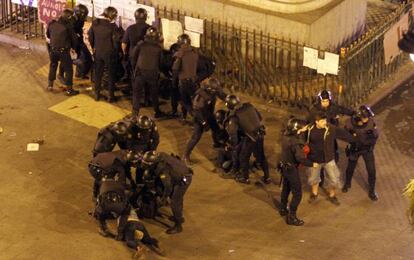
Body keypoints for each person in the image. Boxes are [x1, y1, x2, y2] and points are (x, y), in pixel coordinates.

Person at [305, 112, 356, 206]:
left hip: (328, 159)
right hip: (314, 159)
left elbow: (343, 134)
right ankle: (314, 194)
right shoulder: (309, 129)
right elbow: (302, 139)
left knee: (334, 179)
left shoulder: (331, 128)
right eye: (322, 121)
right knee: (313, 178)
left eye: (325, 120)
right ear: (317, 122)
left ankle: (332, 195)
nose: (325, 122)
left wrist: (354, 139)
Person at [307, 90, 355, 186]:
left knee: (332, 154)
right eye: (323, 101)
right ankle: (320, 179)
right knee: (318, 157)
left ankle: (328, 173)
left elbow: (342, 109)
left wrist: (353, 113)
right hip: (319, 136)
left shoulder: (333, 107)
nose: (325, 103)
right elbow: (309, 122)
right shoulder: (314, 110)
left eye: (327, 101)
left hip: (330, 134)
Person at [141, 151, 193, 234]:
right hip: (180, 173)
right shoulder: (160, 155)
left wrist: (163, 199)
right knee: (176, 199)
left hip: (183, 179)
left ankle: (178, 225)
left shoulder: (162, 170)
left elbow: (168, 187)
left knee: (175, 202)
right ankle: (179, 216)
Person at [278, 117, 317, 226]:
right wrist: (312, 164)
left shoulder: (285, 136)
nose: (305, 128)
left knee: (286, 188)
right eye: (303, 127)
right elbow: (300, 158)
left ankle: (283, 208)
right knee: (297, 193)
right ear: (297, 129)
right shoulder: (295, 142)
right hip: (291, 168)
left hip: (284, 166)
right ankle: (292, 217)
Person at [225, 95, 270, 184]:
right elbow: (259, 118)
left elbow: (233, 134)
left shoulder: (234, 116)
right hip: (260, 134)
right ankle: (267, 177)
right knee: (261, 157)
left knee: (243, 157)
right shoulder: (249, 105)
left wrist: (233, 145)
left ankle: (245, 178)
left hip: (250, 138)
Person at [183, 77, 226, 165]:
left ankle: (217, 143)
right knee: (196, 137)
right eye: (214, 90)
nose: (215, 92)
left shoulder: (213, 90)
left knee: (216, 129)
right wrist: (203, 122)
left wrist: (229, 100)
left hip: (209, 114)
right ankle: (186, 155)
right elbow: (197, 111)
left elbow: (222, 95)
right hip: (200, 117)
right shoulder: (200, 95)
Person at [343, 105, 379, 201]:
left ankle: (372, 191)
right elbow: (345, 133)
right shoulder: (350, 123)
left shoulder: (371, 122)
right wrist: (352, 137)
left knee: (371, 171)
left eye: (367, 117)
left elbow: (376, 134)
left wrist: (370, 137)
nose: (367, 119)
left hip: (367, 150)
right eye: (365, 117)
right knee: (350, 167)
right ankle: (347, 183)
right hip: (355, 149)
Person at [130, 27, 165, 118]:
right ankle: (156, 111)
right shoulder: (158, 48)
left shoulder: (141, 45)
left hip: (140, 72)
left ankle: (135, 113)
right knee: (154, 93)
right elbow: (161, 62)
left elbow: (133, 57)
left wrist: (135, 68)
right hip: (152, 73)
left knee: (137, 93)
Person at [88, 6, 120, 102]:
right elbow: (116, 41)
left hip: (98, 51)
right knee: (111, 74)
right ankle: (110, 96)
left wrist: (94, 47)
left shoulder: (95, 23)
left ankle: (97, 94)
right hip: (109, 53)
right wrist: (115, 51)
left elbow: (90, 36)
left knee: (98, 73)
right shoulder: (113, 26)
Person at [46, 9, 79, 96]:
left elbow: (48, 35)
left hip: (53, 50)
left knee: (53, 65)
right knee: (69, 69)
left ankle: (50, 85)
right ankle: (69, 90)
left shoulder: (52, 23)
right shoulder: (68, 27)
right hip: (63, 51)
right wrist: (74, 48)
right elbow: (74, 39)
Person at [172, 34, 199, 121]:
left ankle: (195, 118)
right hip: (194, 81)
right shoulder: (195, 53)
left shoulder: (180, 55)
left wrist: (173, 82)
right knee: (193, 101)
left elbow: (175, 69)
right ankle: (190, 117)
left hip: (183, 81)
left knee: (185, 101)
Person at [121, 8, 150, 83]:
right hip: (146, 56)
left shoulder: (130, 28)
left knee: (134, 74)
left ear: (135, 17)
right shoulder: (150, 28)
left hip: (133, 55)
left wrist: (125, 53)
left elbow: (124, 44)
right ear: (146, 17)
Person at [72, 4, 92, 79]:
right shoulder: (72, 20)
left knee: (84, 55)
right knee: (83, 56)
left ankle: (80, 73)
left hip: (78, 39)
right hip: (72, 41)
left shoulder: (79, 19)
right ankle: (79, 72)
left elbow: (79, 29)